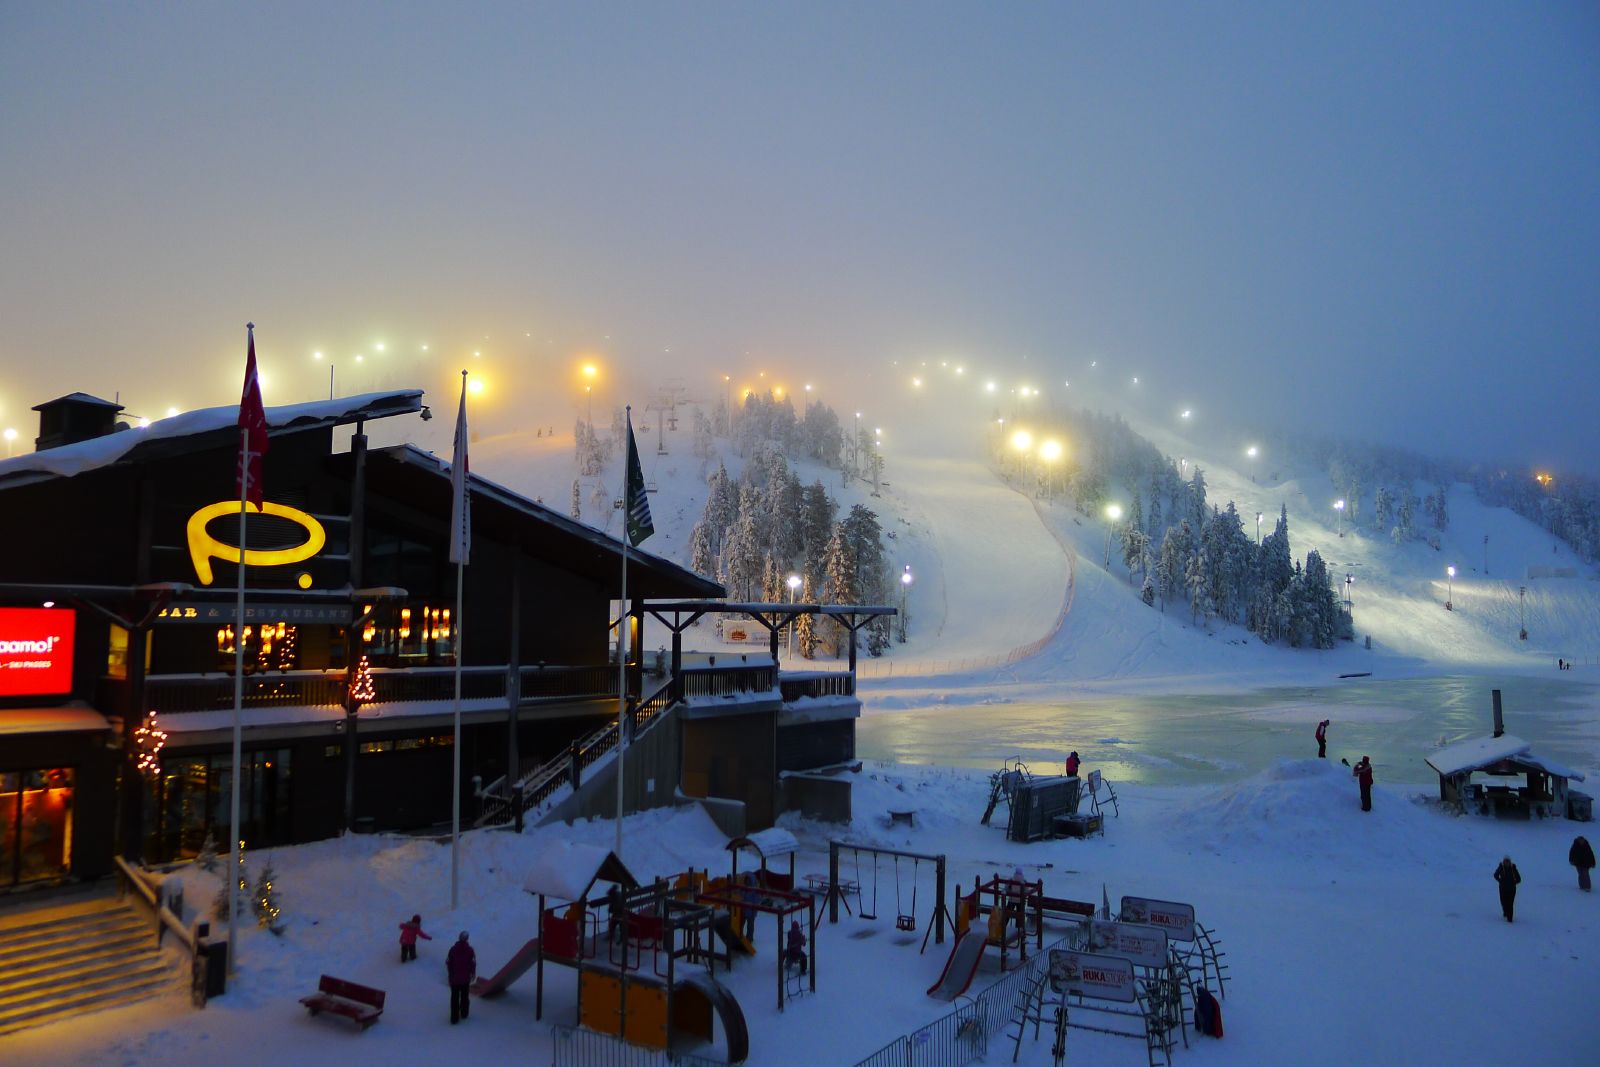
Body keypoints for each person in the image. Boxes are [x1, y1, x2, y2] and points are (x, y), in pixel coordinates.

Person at [447, 931, 476, 1023]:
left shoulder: (453, 949)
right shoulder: (470, 950)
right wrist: (472, 973)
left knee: (454, 998)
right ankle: (464, 1013)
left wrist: (450, 972)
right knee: (464, 997)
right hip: (465, 979)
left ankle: (454, 1018)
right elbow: (473, 963)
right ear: (467, 939)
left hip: (454, 978)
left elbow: (448, 962)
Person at [1494, 856, 1521, 922]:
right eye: (1505, 861)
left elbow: (1519, 879)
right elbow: (1495, 875)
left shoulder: (1513, 868)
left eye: (1508, 861)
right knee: (1504, 902)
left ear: (1510, 862)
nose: (1507, 863)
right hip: (1503, 889)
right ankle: (1505, 912)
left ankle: (1510, 919)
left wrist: (1514, 883)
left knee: (1510, 903)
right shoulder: (1501, 867)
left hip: (1512, 890)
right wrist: (1500, 881)